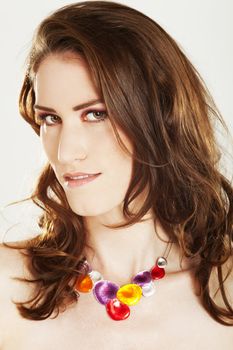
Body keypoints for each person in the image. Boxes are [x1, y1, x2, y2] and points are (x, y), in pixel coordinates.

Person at [0, 1, 232, 348]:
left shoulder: (225, 293)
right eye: (51, 118)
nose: (65, 152)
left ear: (160, 117)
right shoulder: (8, 284)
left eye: (95, 114)